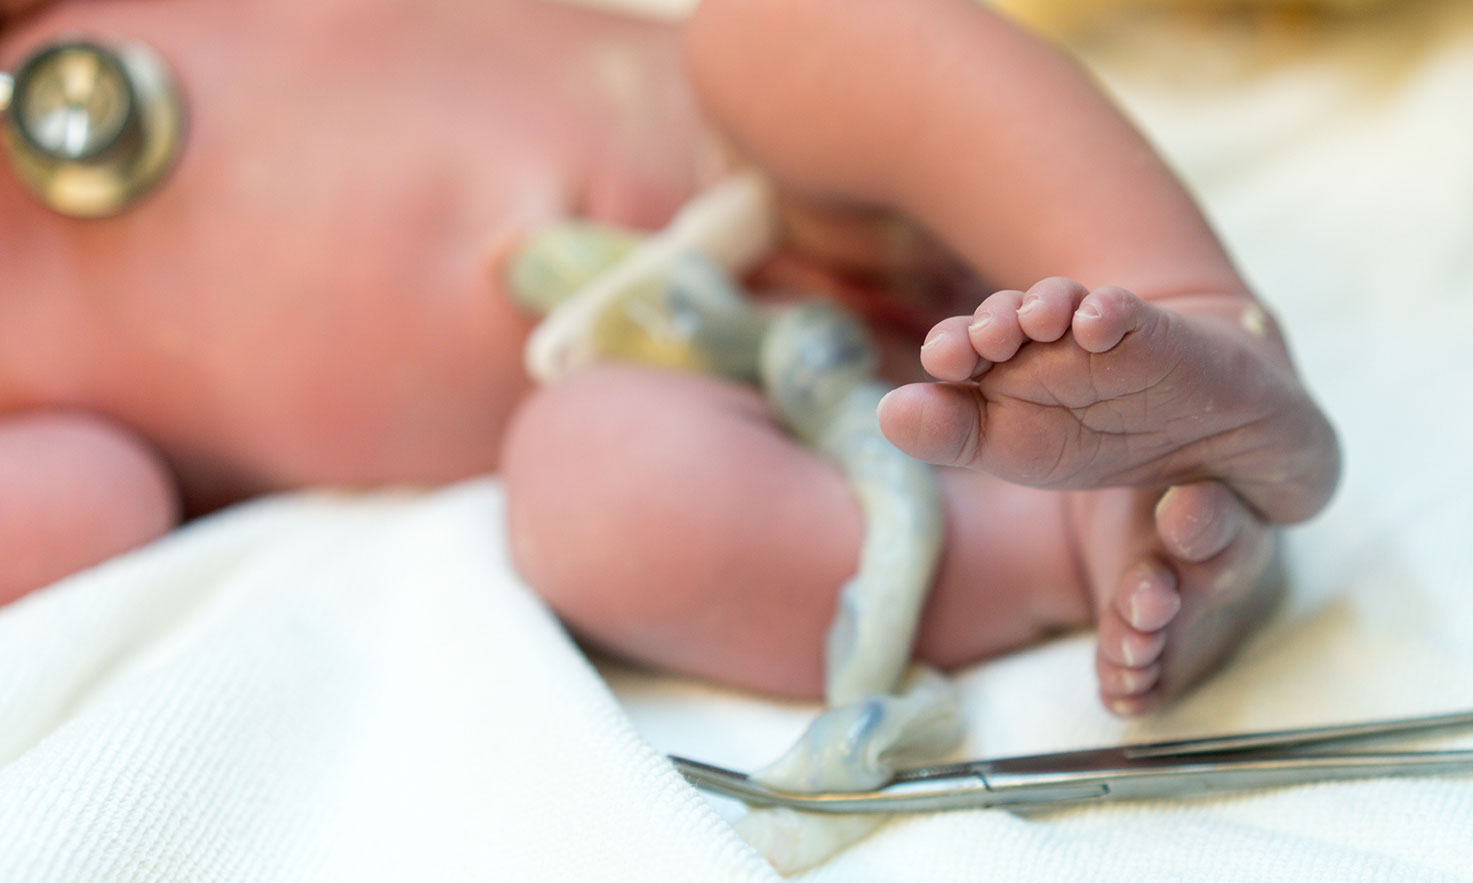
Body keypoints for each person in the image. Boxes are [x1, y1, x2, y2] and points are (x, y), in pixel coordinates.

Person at [0, 0, 1339, 716]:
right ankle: (1091, 543)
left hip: (774, 158)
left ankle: (1185, 314)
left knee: (787, 26)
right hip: (705, 399)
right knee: (595, 503)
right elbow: (91, 508)